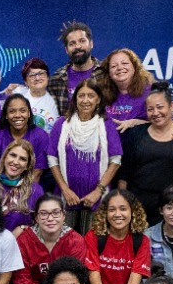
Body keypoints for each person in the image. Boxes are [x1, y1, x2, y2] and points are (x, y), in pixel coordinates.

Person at [118, 85, 173, 226]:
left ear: (171, 106)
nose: (156, 113)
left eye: (160, 107)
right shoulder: (136, 134)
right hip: (140, 209)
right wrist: (122, 203)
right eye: (150, 109)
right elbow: (124, 173)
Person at [49, 78, 123, 232]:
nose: (85, 100)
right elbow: (52, 159)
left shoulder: (107, 125)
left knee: (92, 246)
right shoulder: (61, 124)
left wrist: (98, 191)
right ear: (75, 100)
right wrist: (65, 190)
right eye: (81, 96)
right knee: (65, 246)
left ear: (98, 100)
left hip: (96, 199)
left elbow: (115, 160)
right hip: (66, 198)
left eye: (91, 96)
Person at [82, 189, 152, 284]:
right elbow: (94, 279)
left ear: (132, 212)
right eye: (112, 210)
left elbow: (133, 283)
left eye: (123, 209)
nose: (118, 214)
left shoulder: (141, 241)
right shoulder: (93, 236)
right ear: (105, 214)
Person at [14, 194, 90, 284]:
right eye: (43, 214)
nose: (50, 218)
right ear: (36, 218)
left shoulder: (75, 241)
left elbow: (71, 281)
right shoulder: (24, 240)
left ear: (64, 215)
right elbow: (22, 279)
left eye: (56, 213)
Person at [0, 93, 50, 181]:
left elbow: (37, 173)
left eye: (22, 111)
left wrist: (20, 192)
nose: (18, 115)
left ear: (29, 113)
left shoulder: (41, 136)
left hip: (30, 186)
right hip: (1, 186)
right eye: (12, 111)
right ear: (6, 115)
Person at [0, 139, 42, 233]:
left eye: (23, 159)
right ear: (5, 157)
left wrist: (22, 229)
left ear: (27, 166)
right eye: (13, 155)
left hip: (18, 244)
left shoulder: (36, 190)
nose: (16, 162)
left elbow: (40, 226)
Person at [49, 20, 98, 116]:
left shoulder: (106, 73)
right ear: (66, 50)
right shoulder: (57, 79)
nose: (78, 46)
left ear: (91, 44)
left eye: (82, 41)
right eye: (72, 43)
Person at [97, 48, 151, 131]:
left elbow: (162, 124)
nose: (120, 68)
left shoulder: (150, 92)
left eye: (125, 63)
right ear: (108, 73)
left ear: (135, 67)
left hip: (140, 141)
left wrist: (135, 123)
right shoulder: (101, 94)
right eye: (114, 66)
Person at [11, 57, 59, 132]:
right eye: (32, 75)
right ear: (25, 81)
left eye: (41, 73)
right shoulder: (19, 99)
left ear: (48, 77)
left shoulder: (57, 99)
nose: (37, 78)